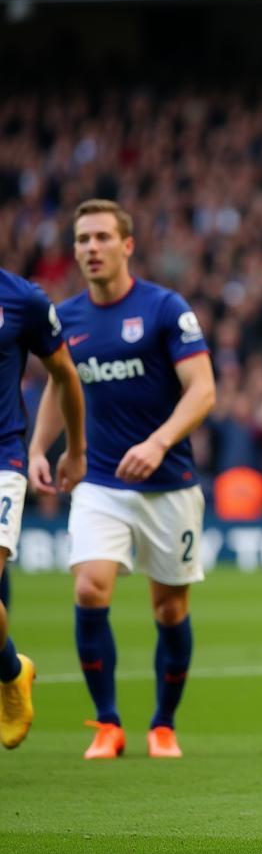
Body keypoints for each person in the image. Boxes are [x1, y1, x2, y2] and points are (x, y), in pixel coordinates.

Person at [29, 199, 216, 760]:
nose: (90, 248)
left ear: (126, 245)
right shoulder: (65, 319)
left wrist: (158, 440)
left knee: (169, 610)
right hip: (101, 481)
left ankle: (163, 724)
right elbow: (61, 389)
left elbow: (202, 391)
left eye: (102, 238)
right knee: (89, 588)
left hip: (170, 483)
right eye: (82, 239)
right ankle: (107, 723)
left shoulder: (164, 308)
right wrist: (39, 447)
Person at [0, 269, 86, 749]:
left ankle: (10, 676)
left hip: (1, 456)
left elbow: (64, 373)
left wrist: (73, 449)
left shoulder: (21, 298)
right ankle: (11, 667)